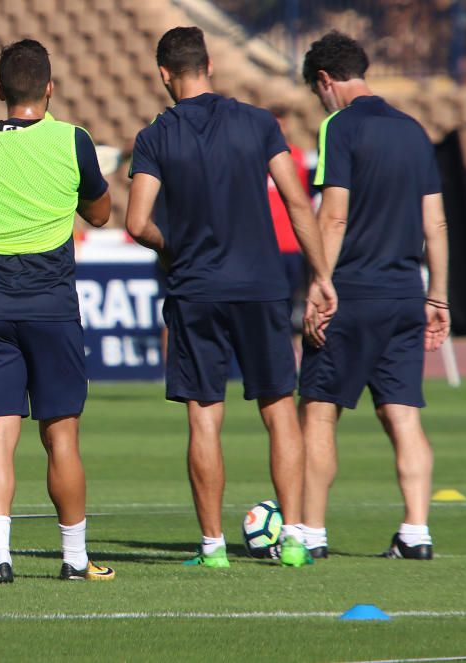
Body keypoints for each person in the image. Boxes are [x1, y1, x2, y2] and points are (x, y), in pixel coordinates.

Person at [124, 27, 336, 568]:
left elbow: (137, 221)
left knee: (204, 417)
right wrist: (321, 276)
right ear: (210, 64)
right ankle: (292, 540)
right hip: (262, 287)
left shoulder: (156, 136)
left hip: (195, 289)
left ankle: (213, 546)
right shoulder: (259, 123)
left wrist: (170, 249)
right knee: (278, 412)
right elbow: (295, 202)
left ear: (164, 74)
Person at [0, 39, 115, 583]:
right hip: (53, 308)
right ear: (50, 88)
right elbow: (103, 214)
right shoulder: (71, 139)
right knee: (61, 437)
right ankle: (74, 558)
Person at [299, 31, 449, 560]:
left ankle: (311, 533)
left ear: (325, 81)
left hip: (353, 294)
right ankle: (416, 532)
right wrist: (439, 297)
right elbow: (436, 223)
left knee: (318, 411)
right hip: (406, 293)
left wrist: (319, 284)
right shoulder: (413, 131)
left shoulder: (338, 127)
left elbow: (333, 215)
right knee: (403, 414)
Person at [268, 104, 312, 363]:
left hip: (292, 244)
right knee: (273, 306)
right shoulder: (255, 158)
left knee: (296, 304)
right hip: (266, 246)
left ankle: (295, 357)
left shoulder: (297, 158)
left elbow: (304, 201)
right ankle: (277, 357)